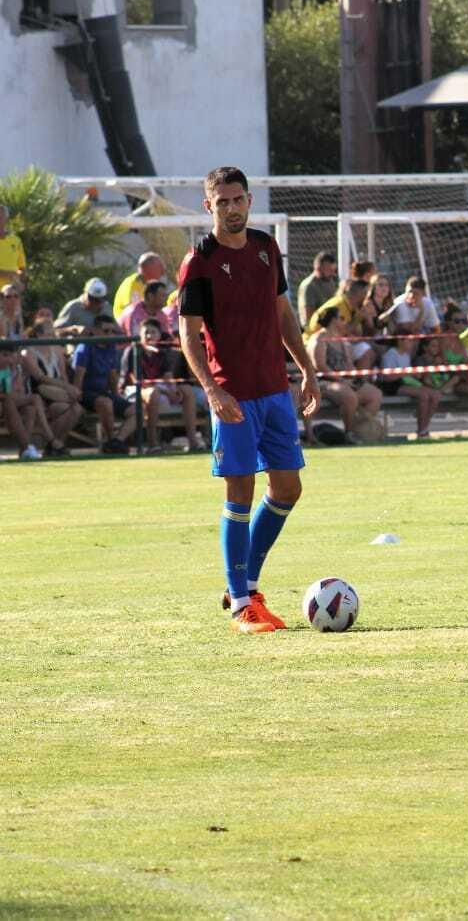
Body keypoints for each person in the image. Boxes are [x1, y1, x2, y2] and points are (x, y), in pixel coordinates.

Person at [178, 166, 321, 634]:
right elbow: (189, 334)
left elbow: (283, 313)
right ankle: (242, 603)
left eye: (238, 199)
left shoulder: (266, 248)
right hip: (234, 396)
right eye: (222, 202)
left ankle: (245, 580)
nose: (232, 208)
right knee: (238, 492)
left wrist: (306, 368)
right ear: (209, 207)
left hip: (275, 390)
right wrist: (212, 389)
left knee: (287, 489)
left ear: (249, 200)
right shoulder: (198, 262)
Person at [124, 318, 204, 453]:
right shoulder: (133, 350)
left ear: (159, 335)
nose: (149, 336)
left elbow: (167, 376)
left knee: (187, 390)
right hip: (134, 389)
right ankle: (152, 444)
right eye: (146, 332)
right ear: (140, 334)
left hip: (158, 387)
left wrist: (173, 390)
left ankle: (193, 442)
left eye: (153, 332)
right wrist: (168, 392)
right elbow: (137, 380)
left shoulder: (162, 352)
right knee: (153, 393)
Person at [306, 306, 383, 441]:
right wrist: (341, 380)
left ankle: (358, 429)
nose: (344, 321)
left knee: (375, 394)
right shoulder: (318, 340)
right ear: (333, 320)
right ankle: (348, 434)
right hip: (324, 382)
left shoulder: (340, 339)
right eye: (341, 318)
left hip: (344, 380)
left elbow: (348, 364)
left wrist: (355, 377)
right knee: (350, 397)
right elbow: (320, 367)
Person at [72, 313, 137, 454]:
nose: (110, 334)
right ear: (95, 331)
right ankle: (111, 440)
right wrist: (76, 398)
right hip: (86, 393)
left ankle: (117, 441)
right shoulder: (84, 348)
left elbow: (112, 376)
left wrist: (117, 397)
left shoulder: (111, 348)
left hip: (103, 393)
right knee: (106, 403)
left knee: (136, 411)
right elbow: (78, 378)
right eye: (106, 331)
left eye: (113, 331)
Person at [20, 318, 83, 455]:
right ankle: (53, 444)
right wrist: (67, 388)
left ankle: (56, 444)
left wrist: (68, 388)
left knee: (77, 409)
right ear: (39, 335)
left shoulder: (57, 350)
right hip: (37, 392)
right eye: (49, 334)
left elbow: (63, 375)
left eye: (52, 334)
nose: (52, 337)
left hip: (57, 392)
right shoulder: (28, 353)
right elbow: (39, 378)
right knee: (63, 407)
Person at [379, 328, 440, 438]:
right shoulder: (390, 354)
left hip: (406, 383)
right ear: (400, 341)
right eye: (409, 341)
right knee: (424, 395)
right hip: (392, 385)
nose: (412, 344)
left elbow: (407, 374)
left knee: (436, 395)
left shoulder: (406, 355)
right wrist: (406, 373)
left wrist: (414, 374)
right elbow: (387, 377)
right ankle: (422, 431)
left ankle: (424, 427)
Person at [112, 251, 169, 323]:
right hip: (128, 326)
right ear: (148, 267)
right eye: (160, 266)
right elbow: (134, 310)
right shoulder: (133, 284)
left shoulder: (148, 285)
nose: (163, 271)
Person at [296, 251, 338, 330]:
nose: (333, 273)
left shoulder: (329, 282)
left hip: (329, 329)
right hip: (313, 332)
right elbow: (308, 318)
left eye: (334, 270)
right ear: (318, 268)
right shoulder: (308, 286)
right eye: (329, 270)